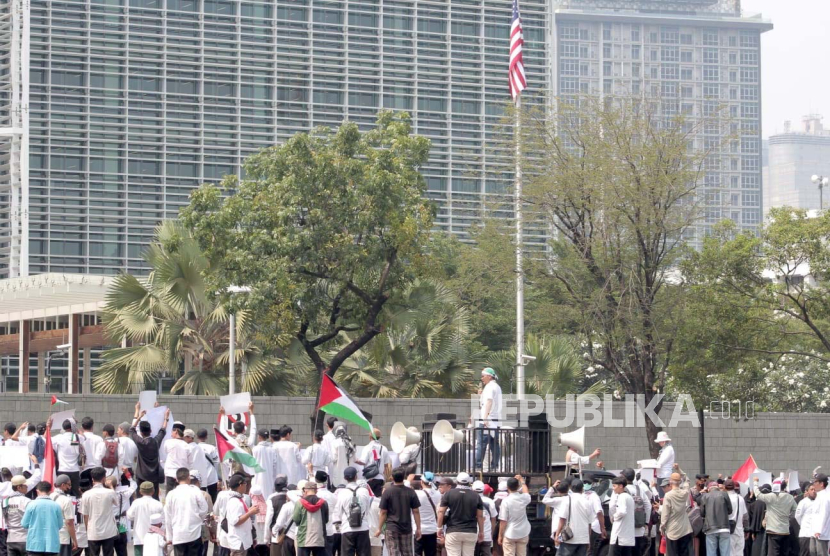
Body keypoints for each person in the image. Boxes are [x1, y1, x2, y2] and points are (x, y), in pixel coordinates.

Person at [164, 468, 209, 556]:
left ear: (176, 479)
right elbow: (204, 509)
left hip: (178, 535)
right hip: (194, 533)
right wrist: (197, 518)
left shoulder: (171, 494)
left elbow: (167, 517)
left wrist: (169, 536)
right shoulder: (195, 491)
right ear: (189, 478)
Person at [439, 472, 485, 556]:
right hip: (471, 531)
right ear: (469, 482)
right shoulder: (476, 496)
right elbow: (480, 516)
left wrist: (439, 527)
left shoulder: (449, 494)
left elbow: (441, 511)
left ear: (457, 481)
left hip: (453, 530)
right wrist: (481, 531)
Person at [378, 467, 422, 555]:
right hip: (407, 527)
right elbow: (416, 511)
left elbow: (383, 512)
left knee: (394, 552)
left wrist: (379, 528)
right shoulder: (411, 492)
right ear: (404, 477)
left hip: (391, 527)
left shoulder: (387, 492)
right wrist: (418, 528)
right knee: (407, 552)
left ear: (392, 478)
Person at [130, 404, 169, 499]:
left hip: (141, 474)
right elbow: (163, 430)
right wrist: (165, 418)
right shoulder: (156, 442)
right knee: (154, 497)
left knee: (140, 496)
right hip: (154, 475)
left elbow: (131, 429)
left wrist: (139, 416)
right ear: (151, 430)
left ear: (141, 433)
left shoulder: (140, 442)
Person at [333, 467, 372, 556]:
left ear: (345, 478)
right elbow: (367, 508)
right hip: (363, 528)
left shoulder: (342, 493)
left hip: (347, 529)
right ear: (356, 476)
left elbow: (338, 511)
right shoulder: (364, 491)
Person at [753, 478, 796, 556]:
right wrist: (788, 518)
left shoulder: (772, 496)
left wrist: (755, 483)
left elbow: (758, 495)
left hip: (773, 530)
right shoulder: (790, 497)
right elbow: (795, 510)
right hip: (785, 530)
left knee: (773, 552)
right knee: (784, 553)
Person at [82, 467, 119, 556]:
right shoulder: (110, 492)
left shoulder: (86, 495)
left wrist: (87, 529)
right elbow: (117, 503)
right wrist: (111, 487)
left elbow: (85, 515)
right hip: (108, 531)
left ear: (92, 479)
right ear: (104, 478)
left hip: (93, 531)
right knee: (109, 554)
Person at [20, 481, 63, 556]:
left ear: (37, 491)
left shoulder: (31, 504)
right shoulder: (56, 506)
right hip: (52, 545)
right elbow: (60, 525)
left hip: (34, 544)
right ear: (50, 491)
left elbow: (24, 524)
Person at [553, 479, 594, 556]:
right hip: (583, 539)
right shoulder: (587, 502)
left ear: (571, 488)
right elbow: (589, 524)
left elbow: (562, 519)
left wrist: (557, 535)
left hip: (569, 538)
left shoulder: (567, 500)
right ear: (582, 489)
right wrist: (588, 540)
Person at [292, 481, 329, 556]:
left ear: (305, 490)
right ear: (316, 490)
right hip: (319, 539)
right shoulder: (323, 503)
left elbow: (296, 520)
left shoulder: (300, 503)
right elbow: (326, 520)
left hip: (304, 539)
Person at [127, 482, 164, 556]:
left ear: (140, 492)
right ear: (153, 491)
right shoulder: (158, 504)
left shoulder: (136, 503)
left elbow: (129, 516)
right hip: (155, 539)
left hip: (139, 538)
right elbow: (163, 521)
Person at [659, 472, 693, 556]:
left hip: (672, 530)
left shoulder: (668, 495)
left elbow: (665, 514)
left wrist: (662, 527)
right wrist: (679, 470)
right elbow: (686, 480)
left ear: (670, 482)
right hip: (685, 529)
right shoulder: (685, 493)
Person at [226, 474, 260, 556]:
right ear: (240, 485)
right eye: (245, 484)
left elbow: (241, 514)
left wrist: (249, 510)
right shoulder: (235, 502)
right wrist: (249, 513)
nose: (246, 486)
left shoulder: (240, 499)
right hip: (238, 541)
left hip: (243, 540)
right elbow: (236, 521)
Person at [476, 368, 502, 471]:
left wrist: (485, 418)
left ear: (489, 376)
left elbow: (489, 402)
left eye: (483, 376)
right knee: (494, 444)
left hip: (487, 421)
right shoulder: (497, 387)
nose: (482, 378)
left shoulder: (490, 387)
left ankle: (478, 466)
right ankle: (494, 466)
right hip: (495, 420)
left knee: (481, 444)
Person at [497, 477, 530, 556]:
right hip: (523, 531)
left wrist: (500, 535)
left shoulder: (506, 501)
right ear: (518, 487)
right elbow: (526, 492)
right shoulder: (524, 498)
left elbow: (503, 521)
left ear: (507, 487)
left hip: (510, 533)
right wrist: (522, 481)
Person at [106, 474, 137, 556]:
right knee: (122, 549)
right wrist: (128, 475)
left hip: (108, 524)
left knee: (108, 550)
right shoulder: (124, 494)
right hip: (121, 523)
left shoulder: (103, 495)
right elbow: (134, 485)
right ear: (117, 485)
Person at [699, 481, 733, 556]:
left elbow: (702, 513)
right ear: (717, 488)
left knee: (711, 553)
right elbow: (730, 510)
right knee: (725, 553)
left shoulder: (705, 496)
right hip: (724, 527)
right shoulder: (724, 494)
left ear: (708, 489)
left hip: (710, 528)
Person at [52, 419, 82, 497]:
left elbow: (47, 439)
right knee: (75, 494)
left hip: (63, 469)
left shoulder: (59, 438)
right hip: (75, 469)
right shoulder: (77, 437)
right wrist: (75, 425)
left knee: (62, 493)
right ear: (73, 427)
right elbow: (84, 437)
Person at [50, 475, 79, 556]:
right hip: (63, 538)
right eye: (69, 485)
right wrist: (74, 540)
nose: (70, 487)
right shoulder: (66, 500)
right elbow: (69, 522)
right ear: (63, 485)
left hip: (50, 537)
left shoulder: (49, 497)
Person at [162, 423, 195, 494]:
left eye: (172, 431)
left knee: (169, 495)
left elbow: (165, 452)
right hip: (182, 475)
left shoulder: (168, 442)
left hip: (170, 473)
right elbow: (190, 463)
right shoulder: (187, 446)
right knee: (182, 495)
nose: (171, 434)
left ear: (176, 431)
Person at [357, 429, 391, 498]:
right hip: (380, 479)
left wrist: (355, 460)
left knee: (369, 499)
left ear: (370, 437)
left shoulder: (367, 447)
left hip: (370, 479)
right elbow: (386, 465)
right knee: (378, 500)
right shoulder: (384, 448)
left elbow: (363, 461)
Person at [4, 476, 33, 556]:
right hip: (25, 538)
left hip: (10, 539)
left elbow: (4, 519)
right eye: (25, 486)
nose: (27, 487)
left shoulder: (5, 501)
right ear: (19, 487)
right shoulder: (27, 501)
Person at [312, 472, 337, 556]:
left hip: (316, 532)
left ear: (315, 480)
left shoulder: (315, 495)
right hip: (330, 530)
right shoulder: (332, 496)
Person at [264, 475, 290, 556]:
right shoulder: (291, 498)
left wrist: (266, 538)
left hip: (276, 536)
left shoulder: (272, 500)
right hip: (290, 536)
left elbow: (268, 521)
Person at [414, 479, 440, 556]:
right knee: (431, 553)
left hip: (418, 529)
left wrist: (409, 479)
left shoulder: (417, 493)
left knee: (417, 553)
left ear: (421, 482)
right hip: (432, 529)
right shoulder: (438, 494)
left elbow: (405, 487)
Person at [611, 476, 636, 556]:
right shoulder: (629, 497)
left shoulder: (622, 496)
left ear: (621, 486)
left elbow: (622, 511)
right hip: (627, 535)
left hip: (620, 534)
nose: (613, 488)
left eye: (614, 486)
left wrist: (614, 517)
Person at [194, 429, 220, 502]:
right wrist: (216, 475)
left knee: (200, 497)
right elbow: (216, 461)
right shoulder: (212, 448)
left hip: (199, 476)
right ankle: (212, 511)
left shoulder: (194, 447)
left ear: (197, 437)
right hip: (211, 475)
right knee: (213, 497)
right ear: (206, 437)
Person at [253, 430, 279, 500]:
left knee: (258, 497)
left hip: (257, 476)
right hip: (269, 477)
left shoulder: (255, 449)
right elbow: (275, 464)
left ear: (259, 437)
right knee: (269, 497)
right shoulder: (272, 449)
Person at [724, 480, 746, 556]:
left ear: (724, 487)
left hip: (727, 530)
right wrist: (746, 529)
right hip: (739, 530)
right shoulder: (740, 498)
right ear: (734, 487)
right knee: (740, 553)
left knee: (730, 553)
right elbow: (745, 516)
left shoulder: (724, 498)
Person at [810, 473, 830, 556]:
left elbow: (824, 514)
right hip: (814, 531)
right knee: (813, 552)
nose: (814, 484)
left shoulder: (825, 497)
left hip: (821, 533)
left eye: (816, 482)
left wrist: (819, 530)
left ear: (822, 484)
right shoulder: (819, 496)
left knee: (821, 553)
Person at [80, 417, 105, 482]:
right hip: (96, 469)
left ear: (82, 427)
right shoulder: (99, 439)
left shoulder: (80, 438)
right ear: (92, 426)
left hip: (83, 469)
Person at [796, 483, 817, 556]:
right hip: (805, 534)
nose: (814, 491)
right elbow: (797, 516)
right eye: (811, 489)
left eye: (815, 489)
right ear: (807, 491)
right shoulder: (803, 502)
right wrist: (803, 525)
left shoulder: (818, 502)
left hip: (815, 535)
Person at [654, 433, 675, 498]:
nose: (659, 443)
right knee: (661, 495)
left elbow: (660, 463)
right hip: (661, 475)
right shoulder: (664, 449)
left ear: (664, 441)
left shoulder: (668, 449)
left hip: (665, 476)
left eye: (660, 441)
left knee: (664, 496)